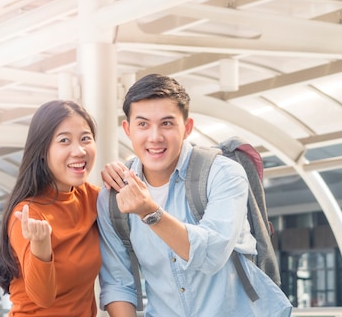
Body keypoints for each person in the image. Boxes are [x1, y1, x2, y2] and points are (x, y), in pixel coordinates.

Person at [96, 74, 292, 316]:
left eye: (167, 123)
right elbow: (118, 283)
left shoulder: (223, 174)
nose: (155, 137)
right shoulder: (112, 198)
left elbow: (212, 254)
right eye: (143, 124)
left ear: (187, 127)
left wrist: (150, 213)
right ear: (128, 130)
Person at [0, 100, 101, 316]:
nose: (79, 151)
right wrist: (41, 246)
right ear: (42, 150)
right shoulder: (26, 213)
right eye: (64, 141)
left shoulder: (94, 198)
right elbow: (42, 297)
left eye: (85, 139)